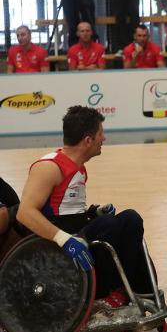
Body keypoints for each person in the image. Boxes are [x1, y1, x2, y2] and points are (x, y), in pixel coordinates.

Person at [16, 106, 153, 308]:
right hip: (57, 247)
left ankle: (137, 289)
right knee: (110, 225)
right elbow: (24, 213)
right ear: (88, 140)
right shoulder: (49, 167)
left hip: (76, 233)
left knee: (130, 218)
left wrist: (92, 213)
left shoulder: (79, 168)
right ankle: (107, 293)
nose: (103, 139)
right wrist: (65, 240)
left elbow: (64, 210)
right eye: (100, 133)